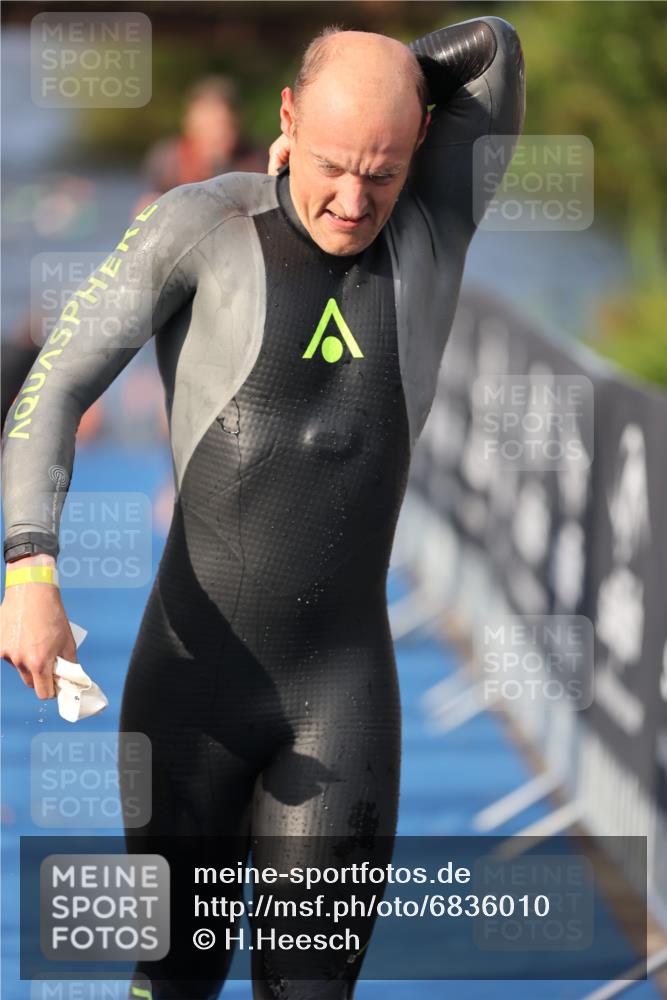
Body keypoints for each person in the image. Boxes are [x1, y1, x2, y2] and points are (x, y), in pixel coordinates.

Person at [1, 15, 524, 999]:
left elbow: (495, 46)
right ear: (285, 118)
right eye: (331, 162)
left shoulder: (432, 225)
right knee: (176, 979)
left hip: (340, 701)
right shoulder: (201, 225)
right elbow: (49, 391)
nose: (352, 198)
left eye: (382, 168)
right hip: (190, 690)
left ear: (419, 148)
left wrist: (378, 87)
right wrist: (29, 564)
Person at [135, 74, 265, 214]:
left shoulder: (257, 160)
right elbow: (147, 204)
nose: (220, 136)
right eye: (210, 127)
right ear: (189, 123)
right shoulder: (166, 158)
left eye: (226, 126)